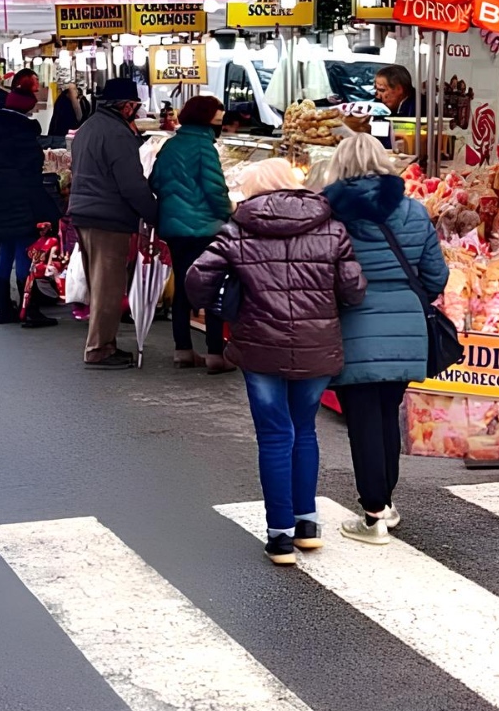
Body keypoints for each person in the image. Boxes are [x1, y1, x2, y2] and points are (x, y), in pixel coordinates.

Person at [186, 157, 364, 564]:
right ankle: (307, 525)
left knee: (274, 435)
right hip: (317, 342)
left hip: (259, 343)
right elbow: (353, 289)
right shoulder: (331, 227)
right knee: (304, 429)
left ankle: (280, 535)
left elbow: (197, 278)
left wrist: (218, 306)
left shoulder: (237, 229)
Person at [321, 132, 447, 546]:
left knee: (362, 422)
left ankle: (373, 513)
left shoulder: (330, 214)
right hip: (407, 327)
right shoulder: (413, 210)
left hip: (353, 324)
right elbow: (436, 276)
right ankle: (386, 502)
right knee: (387, 414)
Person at [68, 77, 158, 368]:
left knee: (99, 284)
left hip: (85, 212)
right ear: (127, 106)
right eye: (134, 106)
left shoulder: (89, 127)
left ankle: (100, 343)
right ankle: (100, 349)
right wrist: (153, 213)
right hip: (108, 217)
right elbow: (131, 184)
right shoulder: (117, 134)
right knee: (108, 286)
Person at [151, 95, 234, 370]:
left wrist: (178, 197)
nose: (220, 125)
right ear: (206, 120)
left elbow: (155, 181)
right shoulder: (204, 147)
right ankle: (215, 353)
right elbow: (215, 189)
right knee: (211, 287)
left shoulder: (171, 145)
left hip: (174, 229)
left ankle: (183, 350)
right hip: (204, 229)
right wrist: (228, 212)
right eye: (218, 120)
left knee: (184, 287)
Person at [0, 70, 58, 328]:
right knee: (25, 251)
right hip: (21, 200)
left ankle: (2, 307)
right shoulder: (24, 132)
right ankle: (29, 309)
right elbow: (31, 172)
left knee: (5, 250)